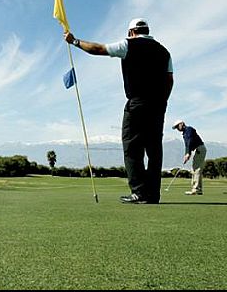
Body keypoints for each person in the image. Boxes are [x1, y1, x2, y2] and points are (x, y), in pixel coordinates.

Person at [64, 18, 173, 204]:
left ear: (131, 32)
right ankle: (153, 194)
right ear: (147, 30)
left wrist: (75, 41)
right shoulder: (164, 52)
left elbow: (98, 49)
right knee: (154, 149)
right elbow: (170, 80)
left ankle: (139, 192)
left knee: (132, 148)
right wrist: (163, 101)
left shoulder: (128, 44)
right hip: (158, 105)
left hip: (137, 103)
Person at [172, 120, 207, 195]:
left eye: (177, 126)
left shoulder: (189, 129)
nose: (177, 129)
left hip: (200, 149)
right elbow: (187, 145)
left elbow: (190, 141)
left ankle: (196, 189)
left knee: (197, 169)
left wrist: (188, 153)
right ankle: (198, 189)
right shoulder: (185, 134)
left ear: (182, 124)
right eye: (176, 128)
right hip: (198, 150)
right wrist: (186, 154)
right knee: (195, 169)